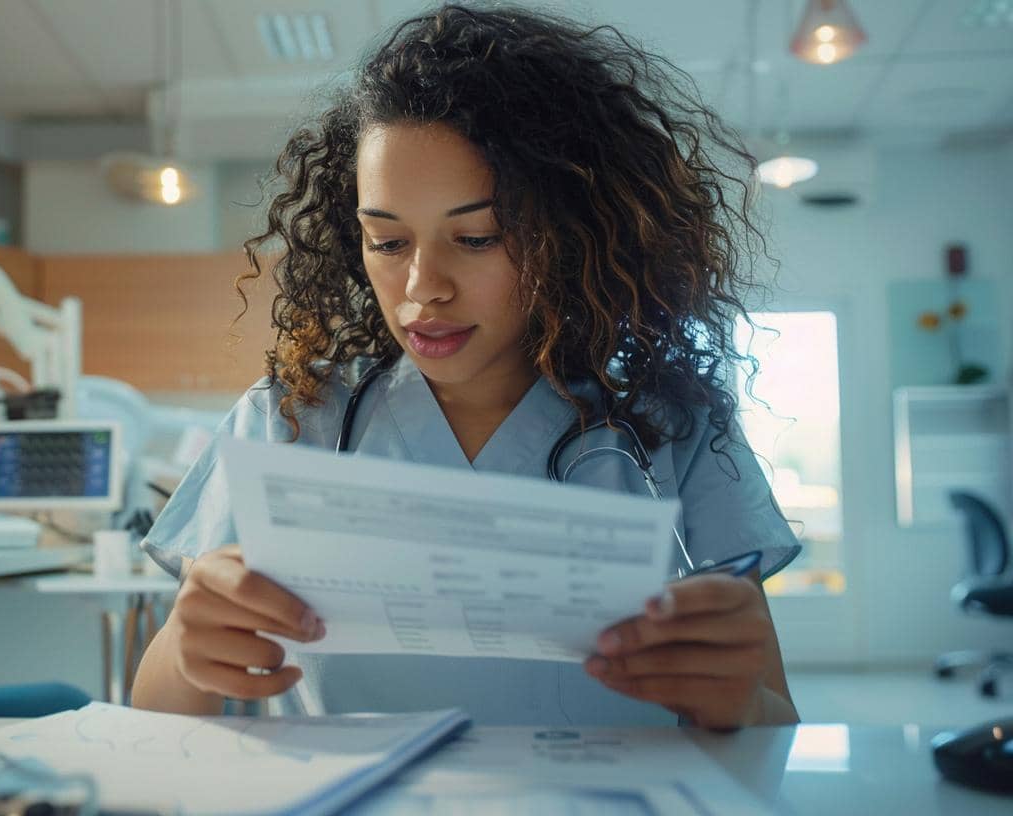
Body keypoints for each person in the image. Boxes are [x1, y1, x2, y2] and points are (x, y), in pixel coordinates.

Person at [132, 3, 801, 729]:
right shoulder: (287, 419)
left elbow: (771, 723)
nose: (423, 287)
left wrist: (736, 698)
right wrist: (186, 651)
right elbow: (157, 713)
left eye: (477, 238)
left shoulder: (676, 434)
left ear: (568, 234)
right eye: (388, 243)